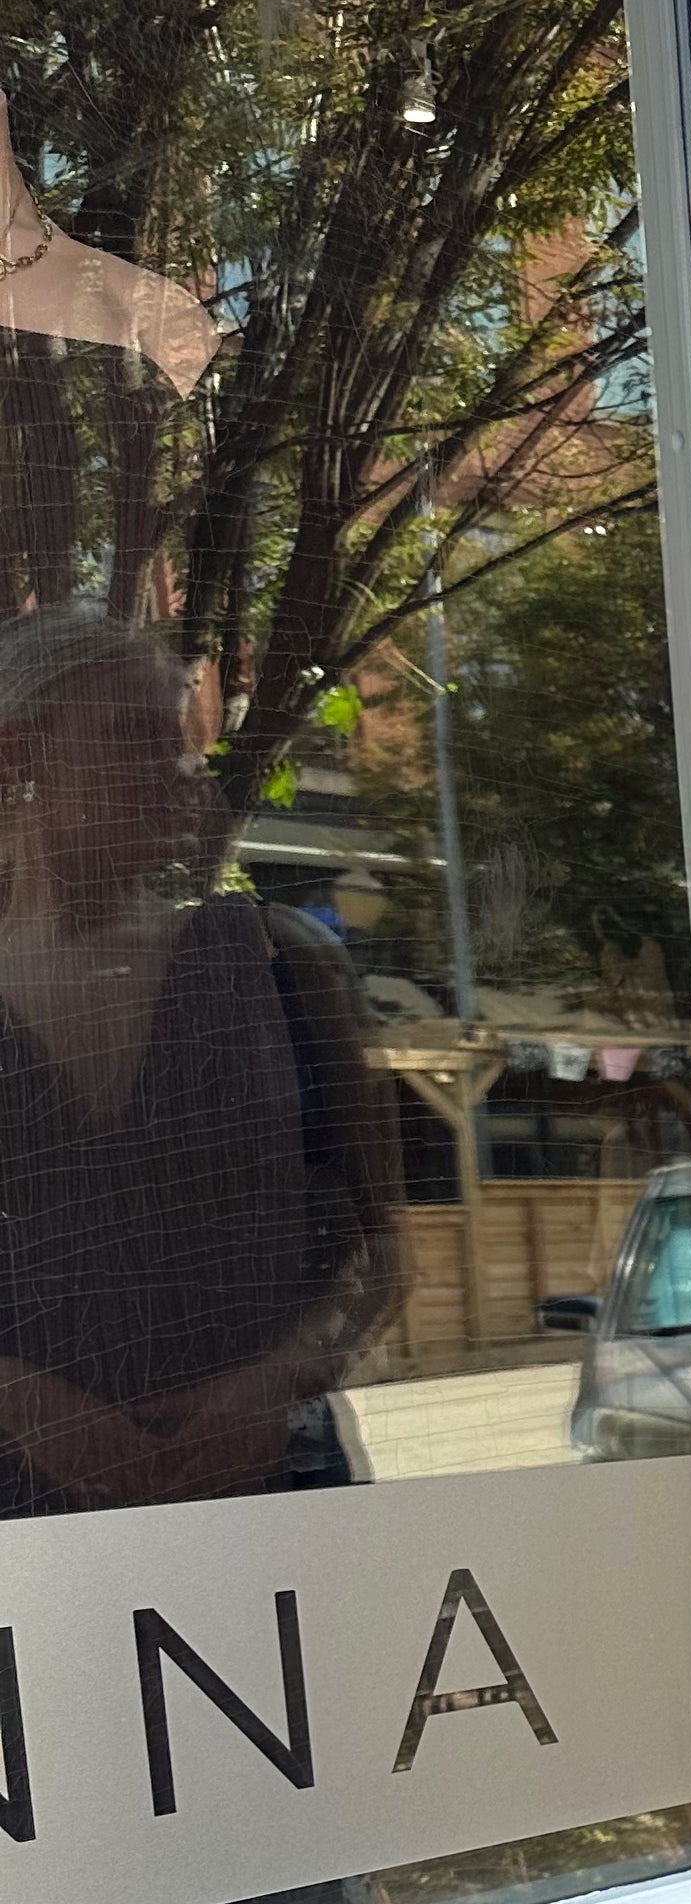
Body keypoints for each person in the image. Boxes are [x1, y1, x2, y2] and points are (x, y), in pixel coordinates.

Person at [0, 610, 401, 1517]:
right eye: (135, 738)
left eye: (180, 742)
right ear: (17, 758)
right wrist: (16, 1398)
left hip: (267, 1493)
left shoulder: (276, 965)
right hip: (25, 1530)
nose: (179, 769)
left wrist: (271, 1388)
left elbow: (380, 1250)